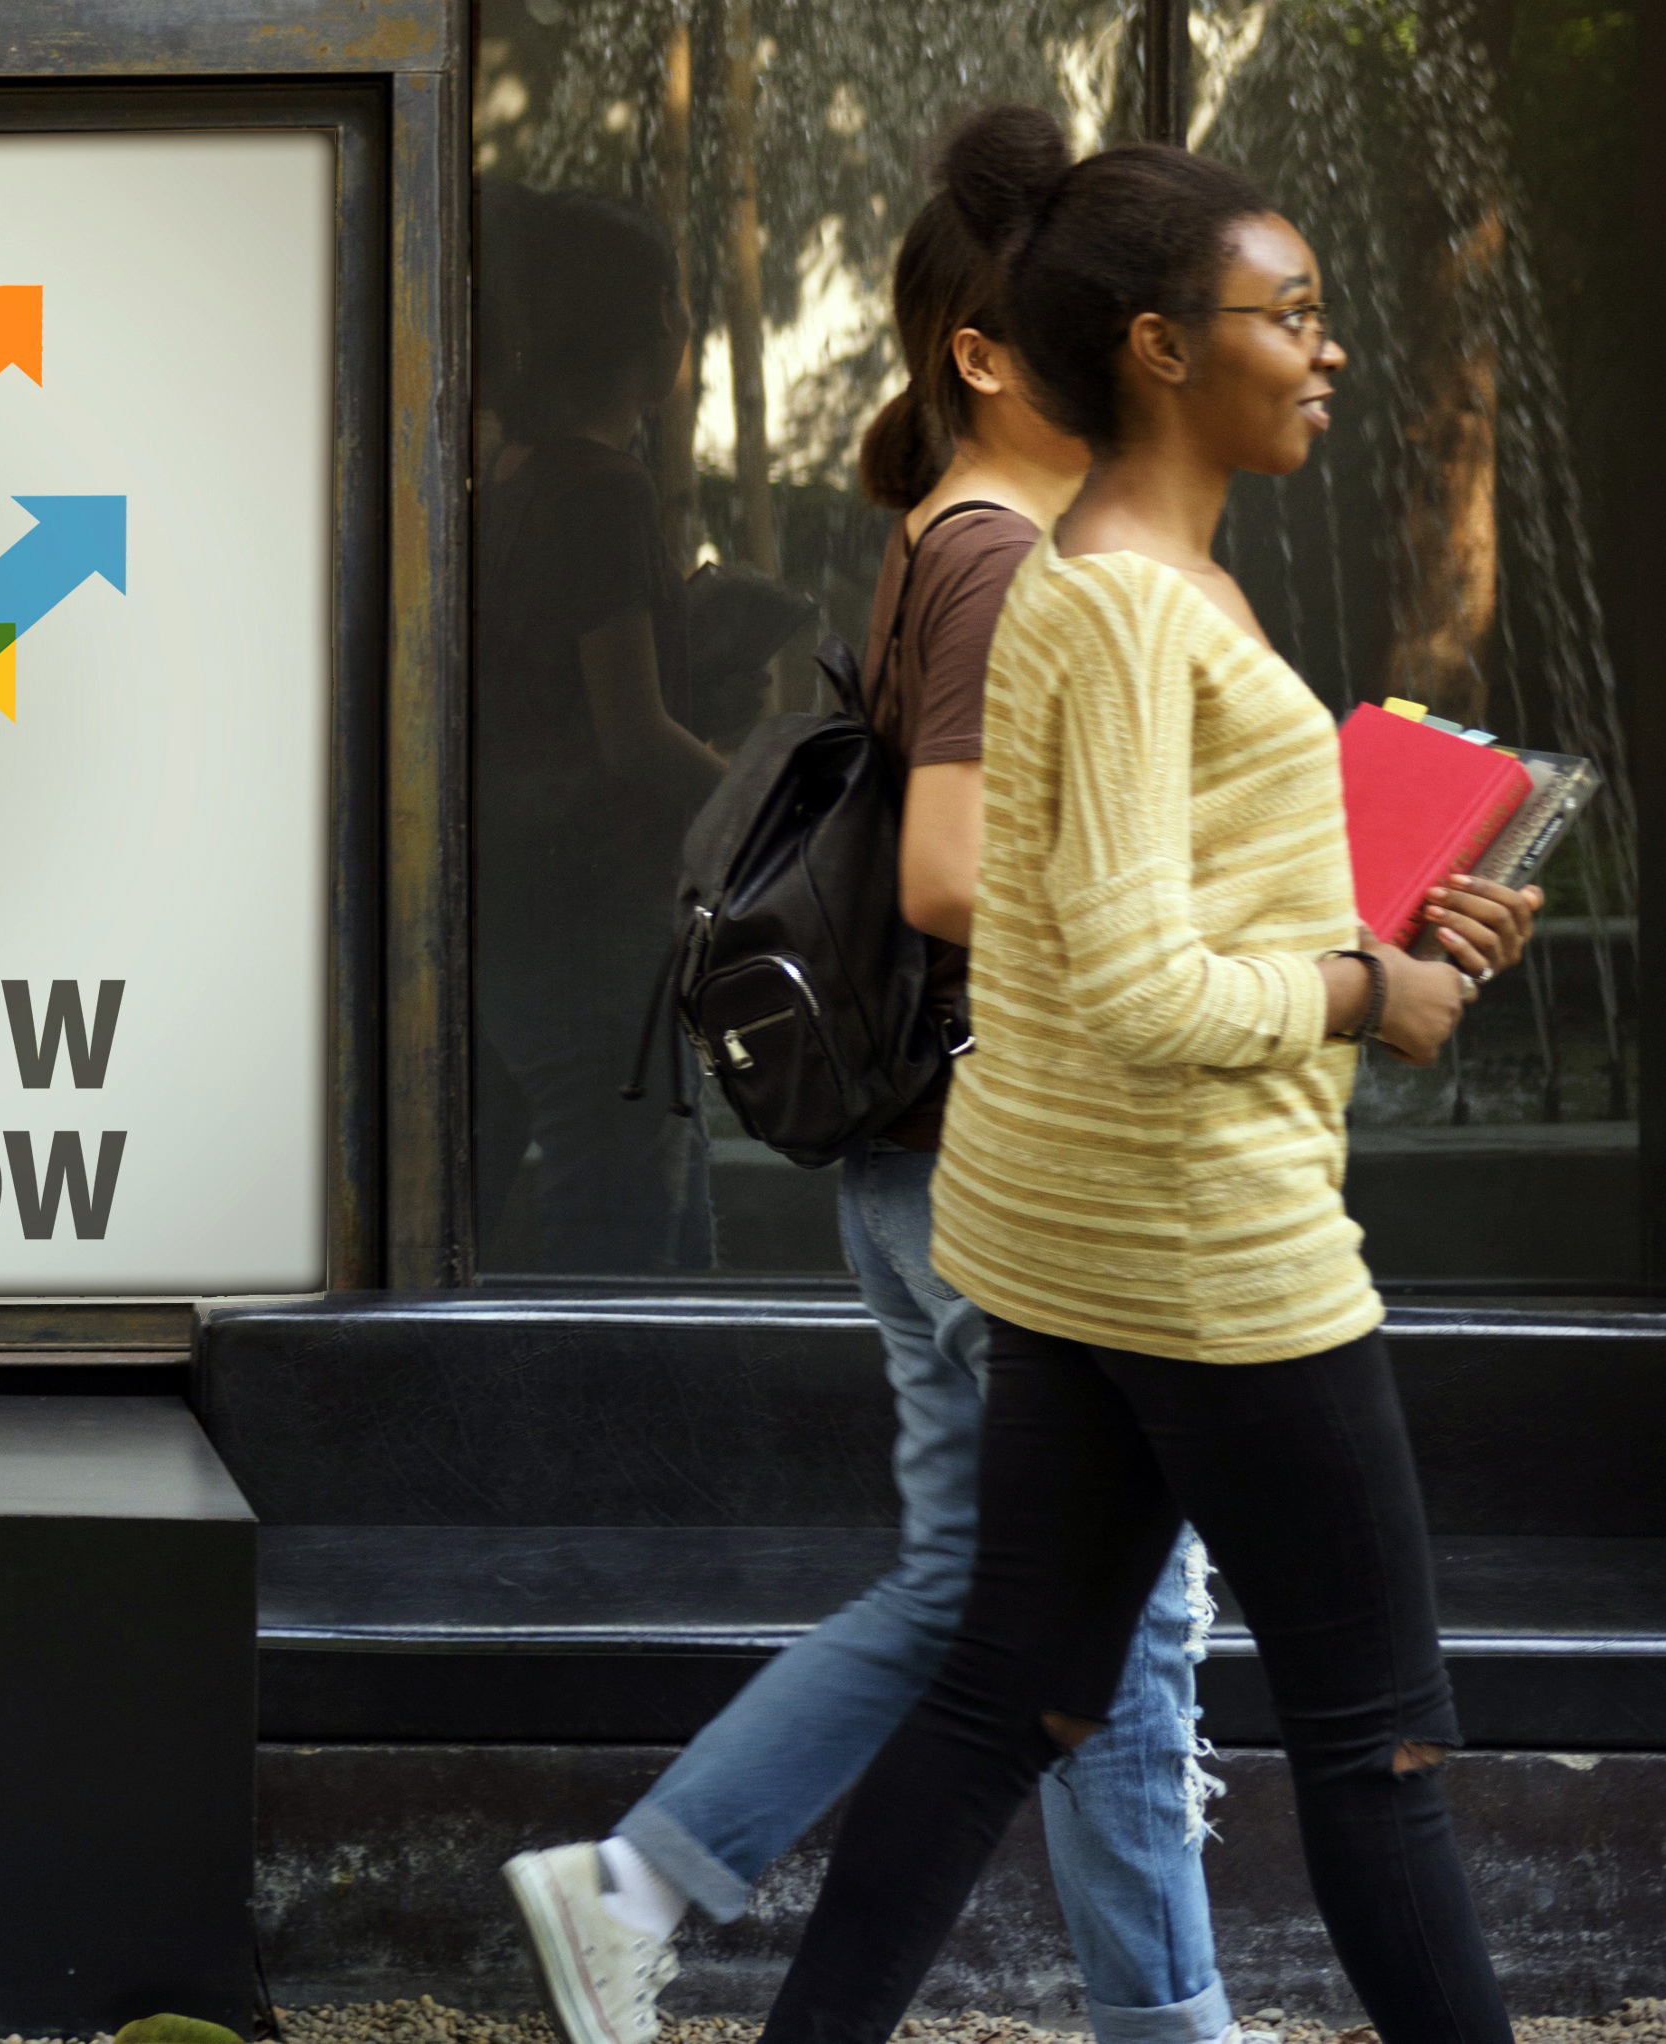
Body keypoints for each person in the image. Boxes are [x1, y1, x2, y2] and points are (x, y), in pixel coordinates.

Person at [756, 142, 1540, 2044]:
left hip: (1092, 1234)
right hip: (1207, 1246)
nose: (1325, 350)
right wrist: (1369, 987)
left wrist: (1392, 915)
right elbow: (1121, 976)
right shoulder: (1112, 603)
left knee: (1006, 1688)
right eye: (1288, 314)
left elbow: (1134, 902)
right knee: (1383, 1743)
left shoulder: (1150, 577)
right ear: (1161, 349)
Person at [502, 107, 1245, 2044]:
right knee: (1124, 1625)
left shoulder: (948, 536)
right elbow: (942, 874)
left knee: (975, 1589)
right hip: (1001, 1162)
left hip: (923, 1162)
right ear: (1001, 353)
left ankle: (632, 1880)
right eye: (1115, 332)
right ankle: (1170, 2023)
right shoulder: (1005, 560)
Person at [467, 180, 717, 1275]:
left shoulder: (508, 476)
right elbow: (630, 733)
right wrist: (763, 797)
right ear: (642, 321)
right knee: (619, 1242)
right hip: (596, 927)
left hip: (511, 914)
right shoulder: (600, 490)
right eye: (674, 304)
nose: (685, 328)